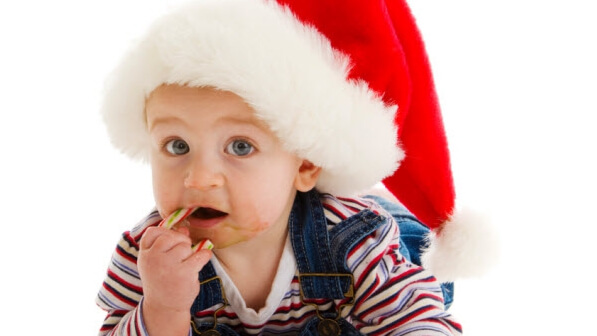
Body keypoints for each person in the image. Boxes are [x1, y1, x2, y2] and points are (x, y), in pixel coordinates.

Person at [96, 0, 471, 334]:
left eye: (240, 147)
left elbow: (419, 321)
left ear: (305, 165)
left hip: (391, 237)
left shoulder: (352, 239)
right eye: (177, 146)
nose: (199, 178)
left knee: (417, 273)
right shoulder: (146, 255)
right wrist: (163, 308)